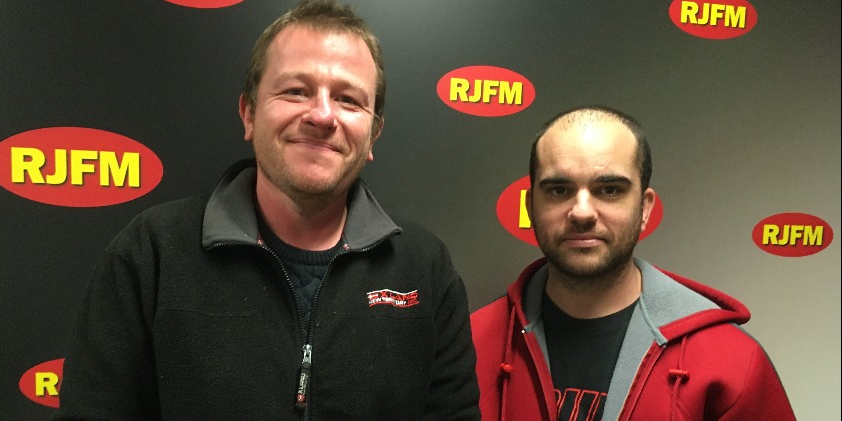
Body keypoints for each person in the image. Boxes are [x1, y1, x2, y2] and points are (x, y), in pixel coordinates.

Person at [52, 1, 479, 419]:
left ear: (373, 135)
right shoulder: (150, 256)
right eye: (296, 91)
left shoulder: (426, 270)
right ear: (249, 114)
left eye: (348, 99)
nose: (322, 115)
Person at [470, 105, 797, 420]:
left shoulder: (731, 361)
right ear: (531, 206)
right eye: (558, 190)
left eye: (610, 190)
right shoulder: (472, 343)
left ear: (644, 208)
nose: (582, 212)